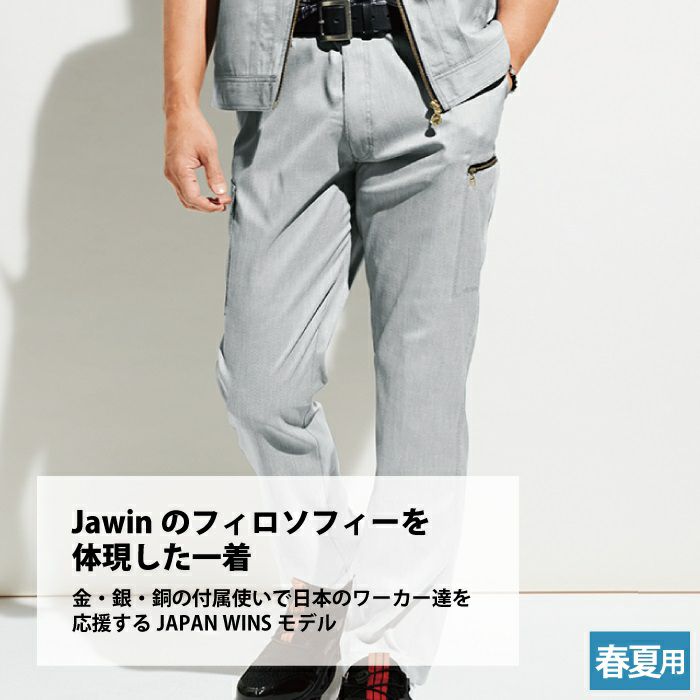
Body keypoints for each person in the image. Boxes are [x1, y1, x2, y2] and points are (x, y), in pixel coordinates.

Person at [163, 0, 557, 697]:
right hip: (286, 89)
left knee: (422, 386)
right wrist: (179, 105)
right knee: (259, 387)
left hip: (436, 85)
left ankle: (388, 645)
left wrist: (500, 67)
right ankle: (322, 594)